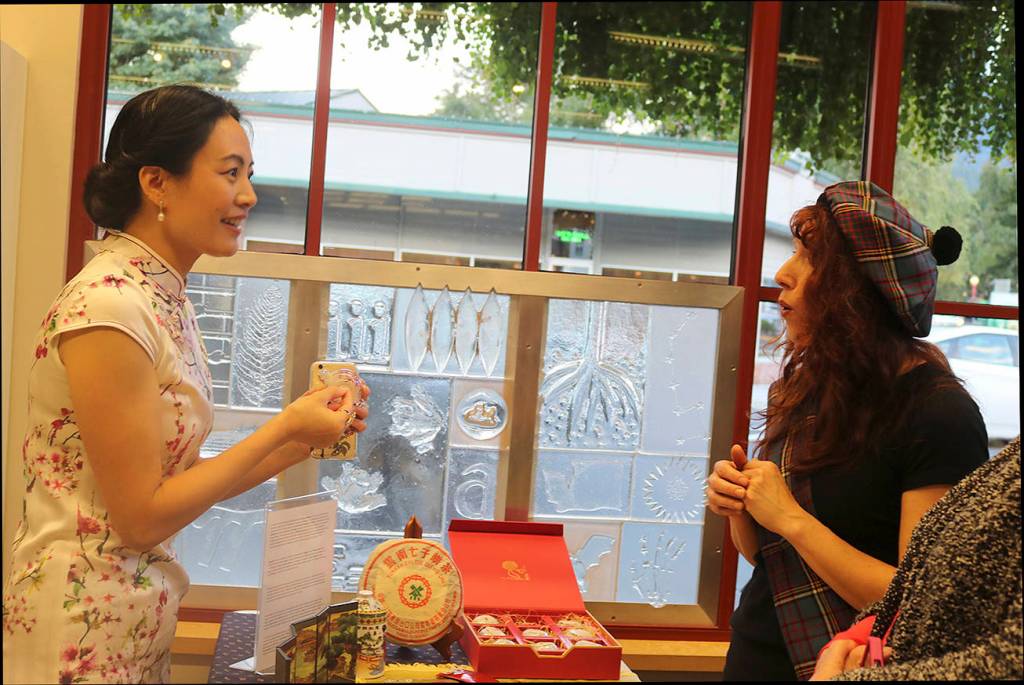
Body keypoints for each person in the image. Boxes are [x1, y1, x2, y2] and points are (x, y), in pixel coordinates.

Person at [1, 85, 369, 684]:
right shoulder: (110, 305)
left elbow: (181, 483)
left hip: (133, 619)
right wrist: (285, 426)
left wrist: (302, 438)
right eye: (229, 174)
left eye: (249, 174)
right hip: (78, 630)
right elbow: (142, 517)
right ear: (157, 183)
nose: (247, 196)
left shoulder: (161, 298)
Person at [707, 181, 989, 680]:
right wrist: (741, 507)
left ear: (857, 289)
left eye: (808, 258)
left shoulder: (941, 415)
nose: (782, 274)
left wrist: (791, 518)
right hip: (753, 657)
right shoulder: (807, 390)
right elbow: (769, 561)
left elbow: (922, 602)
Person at [810, 437, 1021, 681]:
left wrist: (789, 520)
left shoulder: (943, 418)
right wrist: (854, 638)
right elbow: (921, 586)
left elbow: (1011, 662)